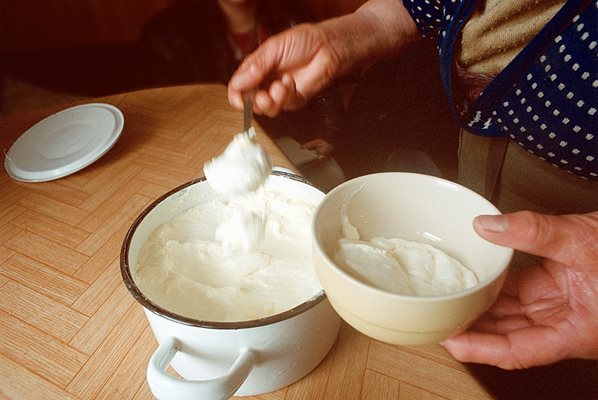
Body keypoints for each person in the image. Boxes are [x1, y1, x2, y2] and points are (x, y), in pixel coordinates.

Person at [226, 0, 598, 369]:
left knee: (541, 348)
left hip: (581, 192)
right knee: (477, 319)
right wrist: (358, 29)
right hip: (480, 136)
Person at [138, 0, 346, 180]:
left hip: (292, 145)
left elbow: (325, 87)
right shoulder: (168, 33)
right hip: (208, 154)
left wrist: (328, 132)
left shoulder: (294, 17)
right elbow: (166, 113)